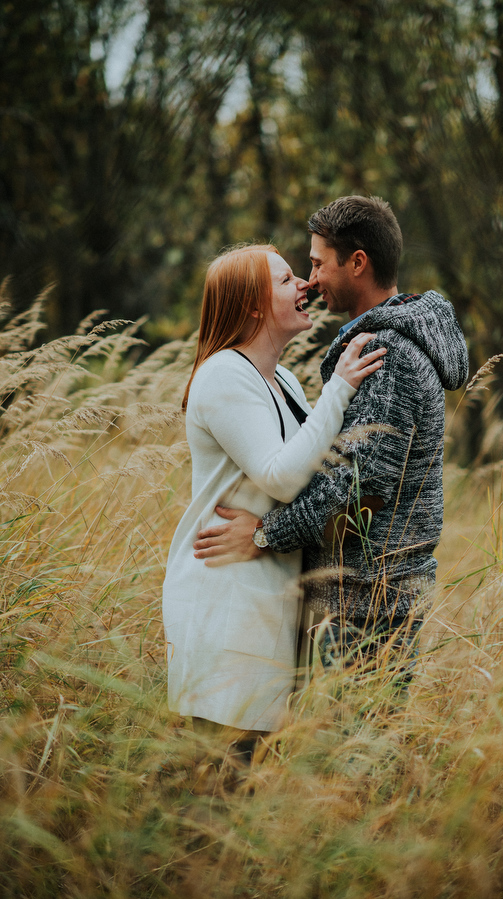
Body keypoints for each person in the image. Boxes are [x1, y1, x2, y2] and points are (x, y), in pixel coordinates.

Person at [193, 197, 469, 685]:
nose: (310, 278)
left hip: (370, 596)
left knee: (363, 749)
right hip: (360, 593)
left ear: (357, 262)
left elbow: (359, 488)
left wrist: (263, 535)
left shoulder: (390, 355)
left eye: (318, 263)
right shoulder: (375, 346)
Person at [162, 243, 386, 751]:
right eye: (287, 280)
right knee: (222, 774)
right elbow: (281, 478)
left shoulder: (280, 378)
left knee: (247, 772)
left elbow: (305, 470)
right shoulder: (223, 374)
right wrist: (340, 389)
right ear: (254, 306)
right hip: (226, 595)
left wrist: (265, 533)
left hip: (264, 589)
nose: (304, 285)